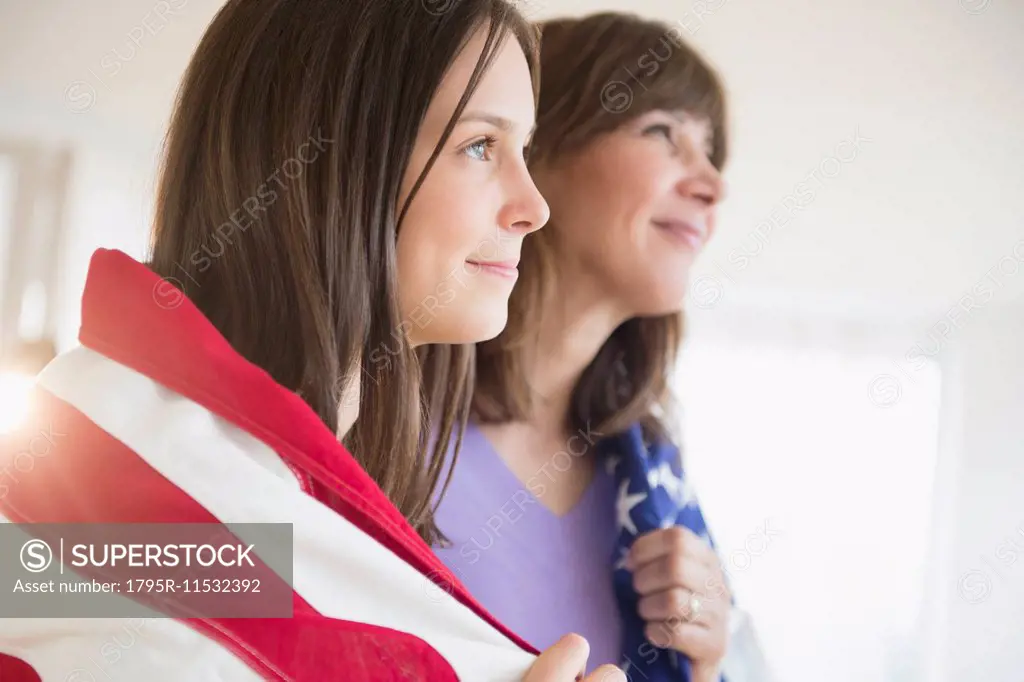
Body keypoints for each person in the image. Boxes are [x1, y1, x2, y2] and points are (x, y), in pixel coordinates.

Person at [0, 1, 624, 680]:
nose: (534, 206)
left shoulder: (253, 505)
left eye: (523, 151)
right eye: (480, 146)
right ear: (335, 159)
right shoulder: (126, 494)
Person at [432, 11, 766, 682]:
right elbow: (173, 605)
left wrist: (705, 664)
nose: (713, 185)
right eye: (662, 133)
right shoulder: (362, 410)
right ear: (535, 151)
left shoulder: (655, 484)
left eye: (712, 153)